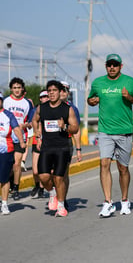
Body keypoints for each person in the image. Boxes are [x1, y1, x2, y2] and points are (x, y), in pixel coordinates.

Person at [88, 54, 133, 217]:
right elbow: (91, 99)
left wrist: (130, 98)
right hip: (105, 130)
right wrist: (91, 101)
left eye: (115, 65)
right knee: (104, 163)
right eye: (109, 65)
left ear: (121, 66)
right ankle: (108, 202)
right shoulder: (98, 82)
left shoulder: (129, 82)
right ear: (106, 66)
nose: (112, 67)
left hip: (124, 130)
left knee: (123, 168)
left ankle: (125, 201)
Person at [32, 80, 79, 217]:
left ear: (60, 92)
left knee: (59, 178)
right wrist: (37, 132)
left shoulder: (67, 109)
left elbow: (75, 128)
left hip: (62, 148)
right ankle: (52, 193)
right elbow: (35, 120)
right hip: (46, 147)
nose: (51, 93)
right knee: (43, 177)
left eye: (54, 90)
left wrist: (64, 126)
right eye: (49, 91)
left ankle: (61, 206)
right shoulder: (42, 108)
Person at [3, 77, 33, 200]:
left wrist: (24, 125)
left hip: (20, 136)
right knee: (8, 165)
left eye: (19, 88)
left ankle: (16, 188)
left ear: (22, 89)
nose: (17, 90)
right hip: (6, 137)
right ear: (11, 89)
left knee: (17, 164)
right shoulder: (5, 101)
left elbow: (31, 122)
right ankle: (9, 182)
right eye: (14, 88)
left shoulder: (27, 103)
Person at [0, 93, 26, 215]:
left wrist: (21, 141)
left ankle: (4, 203)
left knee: (4, 178)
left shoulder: (8, 115)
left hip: (6, 150)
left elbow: (16, 128)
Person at [60, 81, 82, 210]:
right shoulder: (47, 106)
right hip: (50, 143)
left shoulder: (72, 109)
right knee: (50, 173)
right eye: (60, 89)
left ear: (68, 92)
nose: (62, 92)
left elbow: (77, 130)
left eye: (65, 90)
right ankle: (55, 194)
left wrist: (78, 149)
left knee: (63, 173)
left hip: (66, 143)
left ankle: (62, 199)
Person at [28, 90, 49, 198]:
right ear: (40, 99)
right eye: (42, 97)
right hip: (36, 141)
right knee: (35, 170)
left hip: (48, 142)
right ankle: (37, 185)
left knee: (44, 169)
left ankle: (41, 188)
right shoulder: (34, 110)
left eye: (46, 96)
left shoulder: (52, 110)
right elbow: (30, 123)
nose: (45, 98)